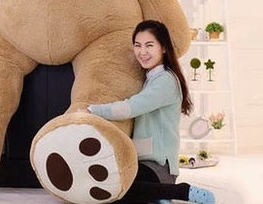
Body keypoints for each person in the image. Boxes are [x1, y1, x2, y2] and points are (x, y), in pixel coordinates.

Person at [88, 20, 215, 204]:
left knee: (116, 188)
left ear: (163, 48)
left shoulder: (165, 81)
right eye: (137, 45)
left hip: (159, 168)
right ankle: (159, 197)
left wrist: (92, 110)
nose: (142, 52)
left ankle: (180, 191)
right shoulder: (151, 78)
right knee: (110, 188)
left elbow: (131, 107)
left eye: (149, 45)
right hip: (143, 165)